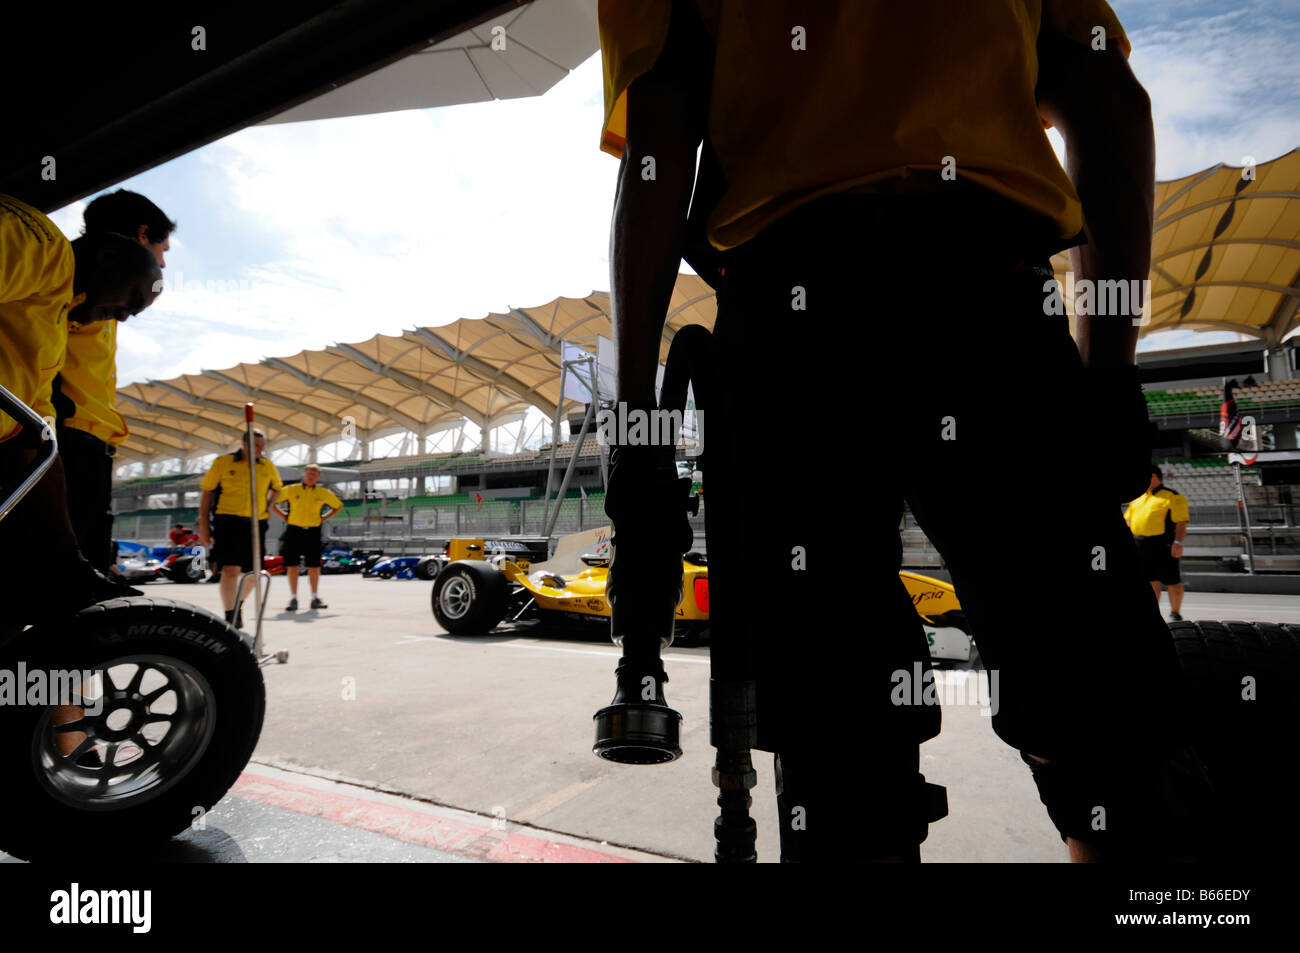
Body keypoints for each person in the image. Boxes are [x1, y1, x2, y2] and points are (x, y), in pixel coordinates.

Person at [597, 0, 1208, 862]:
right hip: (991, 309)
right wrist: (1106, 369)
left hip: (795, 333)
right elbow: (1112, 105)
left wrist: (637, 431)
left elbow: (658, 150)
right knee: (1105, 729)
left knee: (839, 751)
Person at [0, 192, 161, 623]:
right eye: (130, 301)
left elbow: (36, 439)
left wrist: (67, 556)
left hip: (46, 442)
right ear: (109, 256)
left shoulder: (54, 323)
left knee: (35, 593)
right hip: (79, 436)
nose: (124, 317)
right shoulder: (39, 244)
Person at [197, 428, 283, 627]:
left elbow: (277, 488)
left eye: (263, 446)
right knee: (231, 570)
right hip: (228, 520)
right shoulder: (223, 463)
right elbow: (207, 493)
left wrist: (269, 508)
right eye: (256, 446)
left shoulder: (267, 466)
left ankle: (237, 604)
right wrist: (203, 525)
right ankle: (230, 616)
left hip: (256, 522)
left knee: (254, 574)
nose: (260, 450)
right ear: (244, 445)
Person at [1125, 465, 1190, 621]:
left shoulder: (1173, 496)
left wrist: (1178, 543)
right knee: (1149, 581)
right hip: (1140, 544)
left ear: (1154, 476)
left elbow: (1181, 522)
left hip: (1163, 544)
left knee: (1172, 580)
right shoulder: (1137, 498)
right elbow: (1128, 520)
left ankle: (1175, 613)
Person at [275, 463, 342, 610]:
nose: (311, 477)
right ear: (304, 475)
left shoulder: (323, 493)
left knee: (314, 566)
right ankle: (293, 598)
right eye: (309, 474)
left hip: (313, 531)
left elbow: (338, 506)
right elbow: (272, 501)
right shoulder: (291, 490)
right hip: (294, 530)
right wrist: (283, 516)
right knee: (293, 565)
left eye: (314, 474)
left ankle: (314, 597)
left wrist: (324, 517)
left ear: (318, 477)